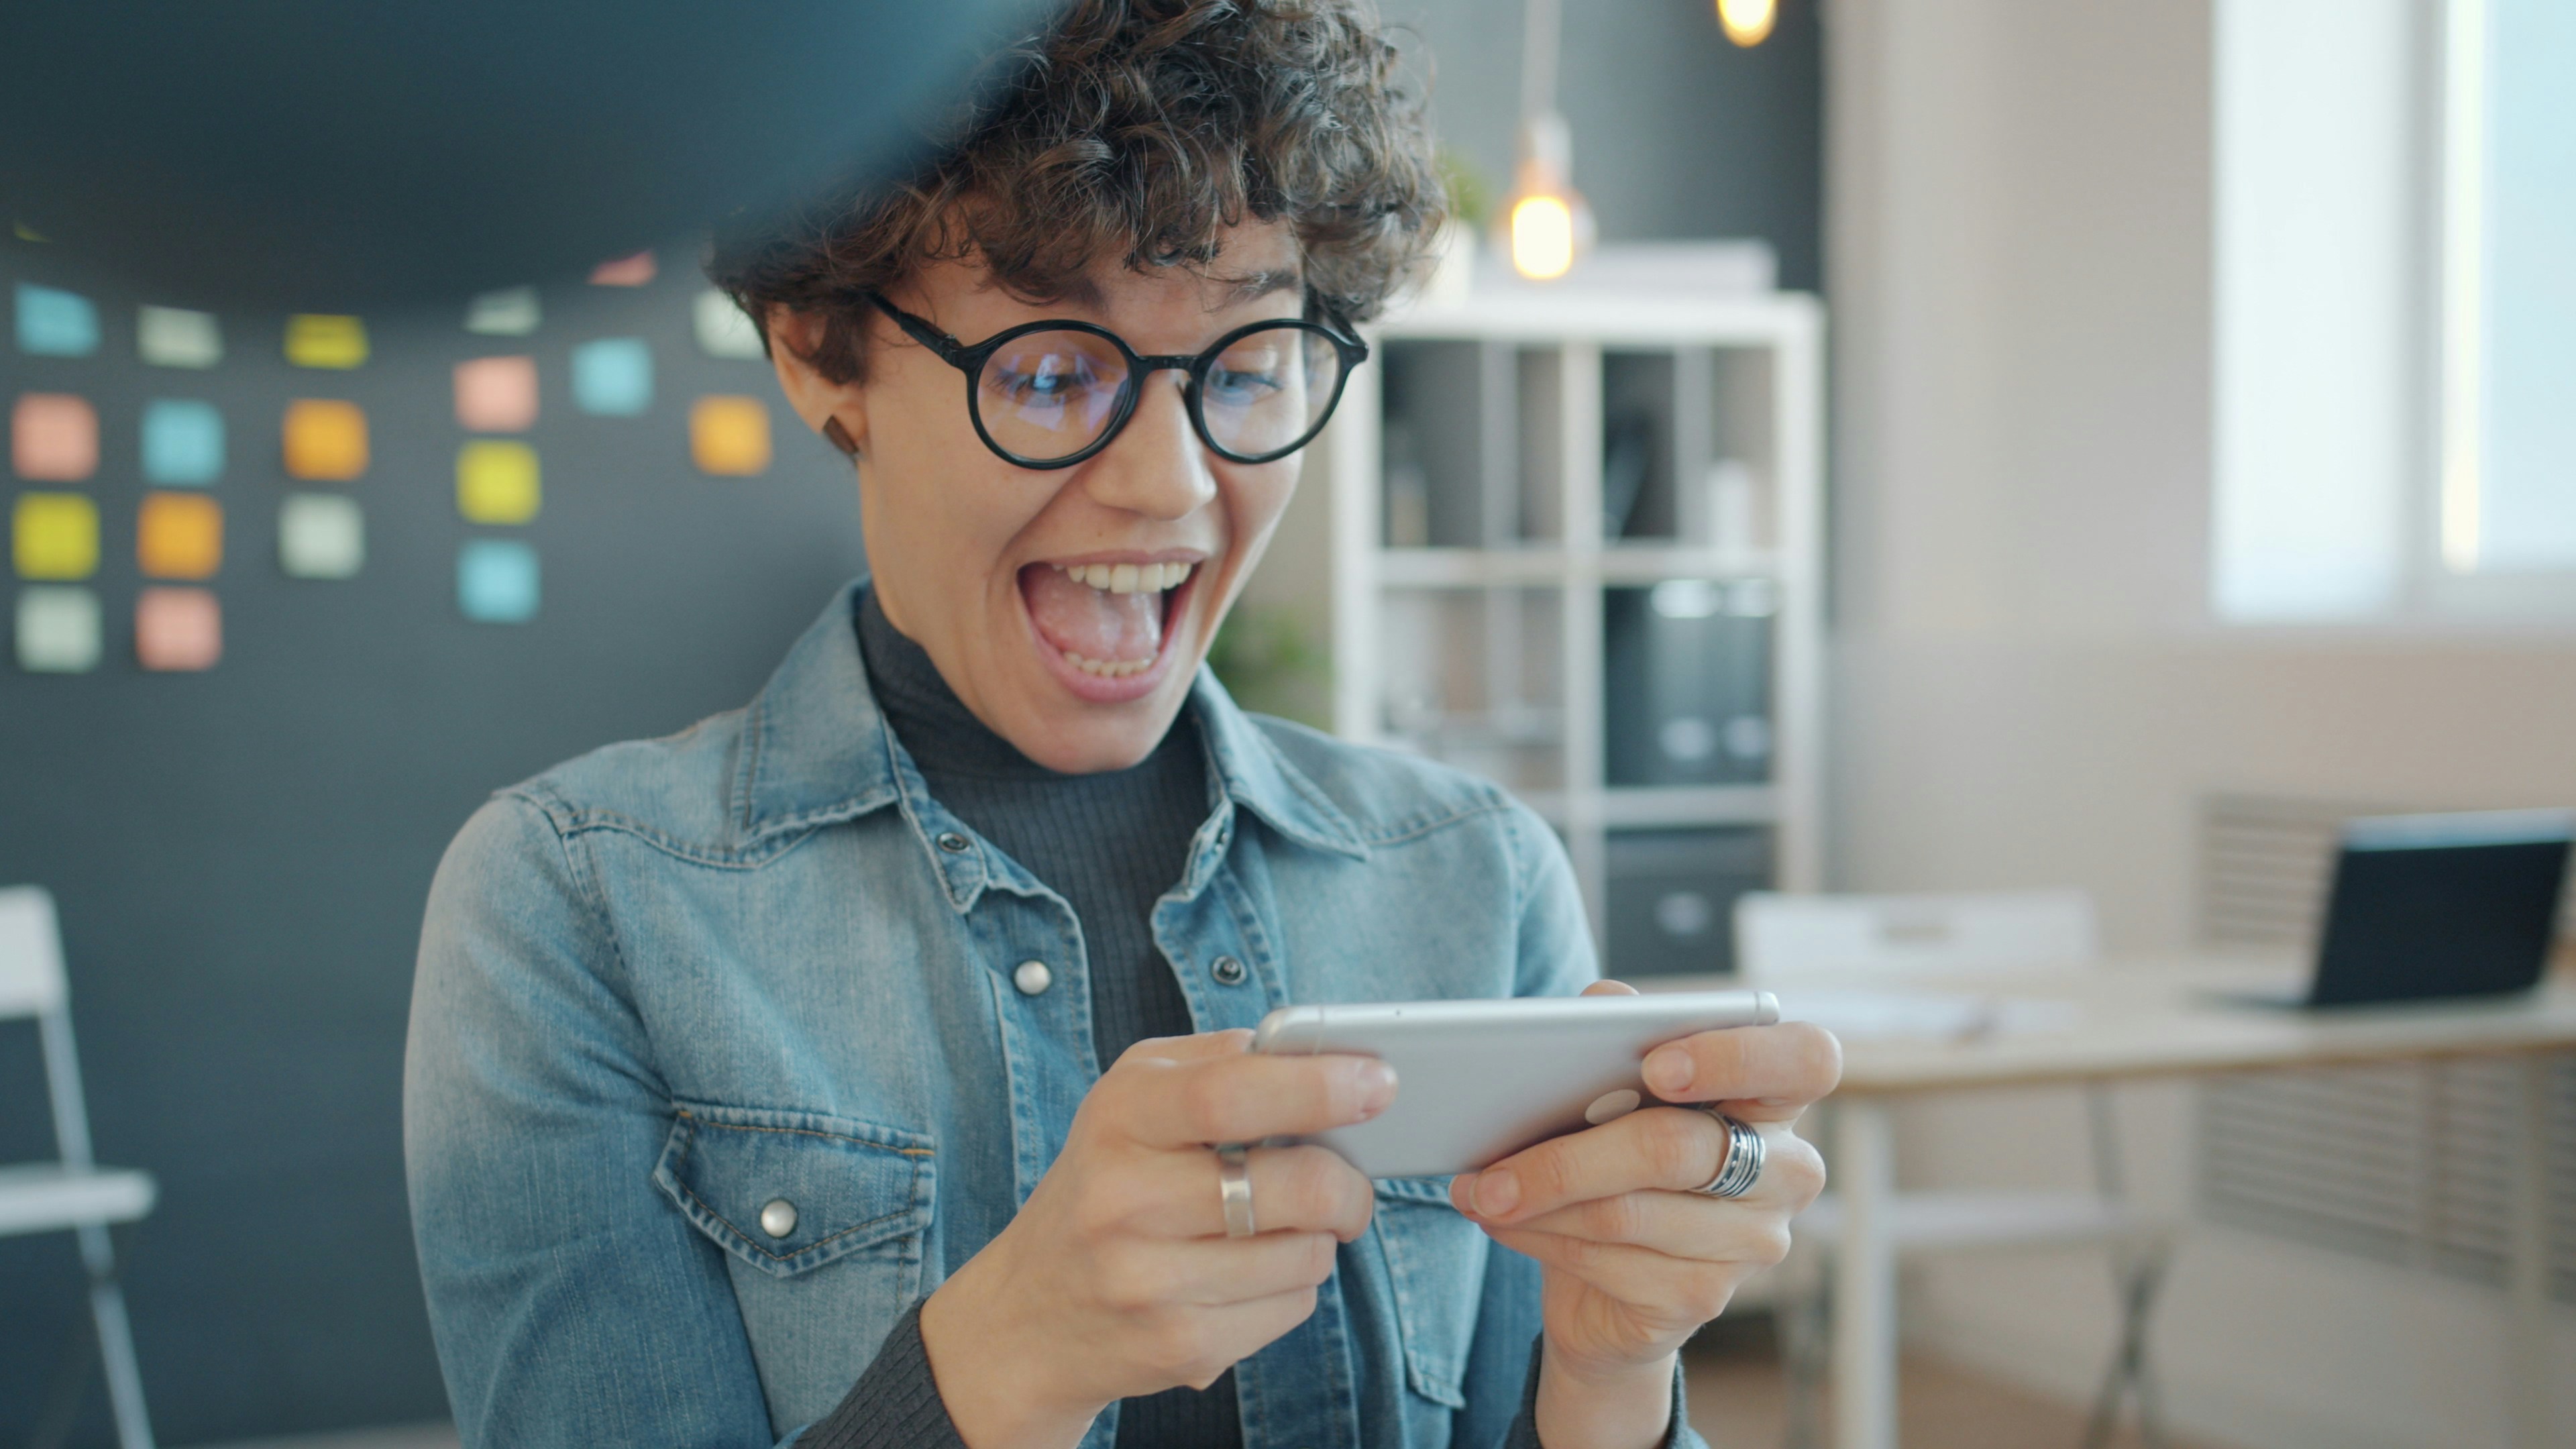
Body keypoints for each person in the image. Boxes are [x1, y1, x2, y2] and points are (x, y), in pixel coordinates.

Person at [402, 2, 1837, 1446]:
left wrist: (1612, 1377)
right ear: (817, 352)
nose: (1170, 483)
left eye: (1248, 367)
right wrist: (1009, 1355)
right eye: (1046, 372)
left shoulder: (1476, 875)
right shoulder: (579, 908)